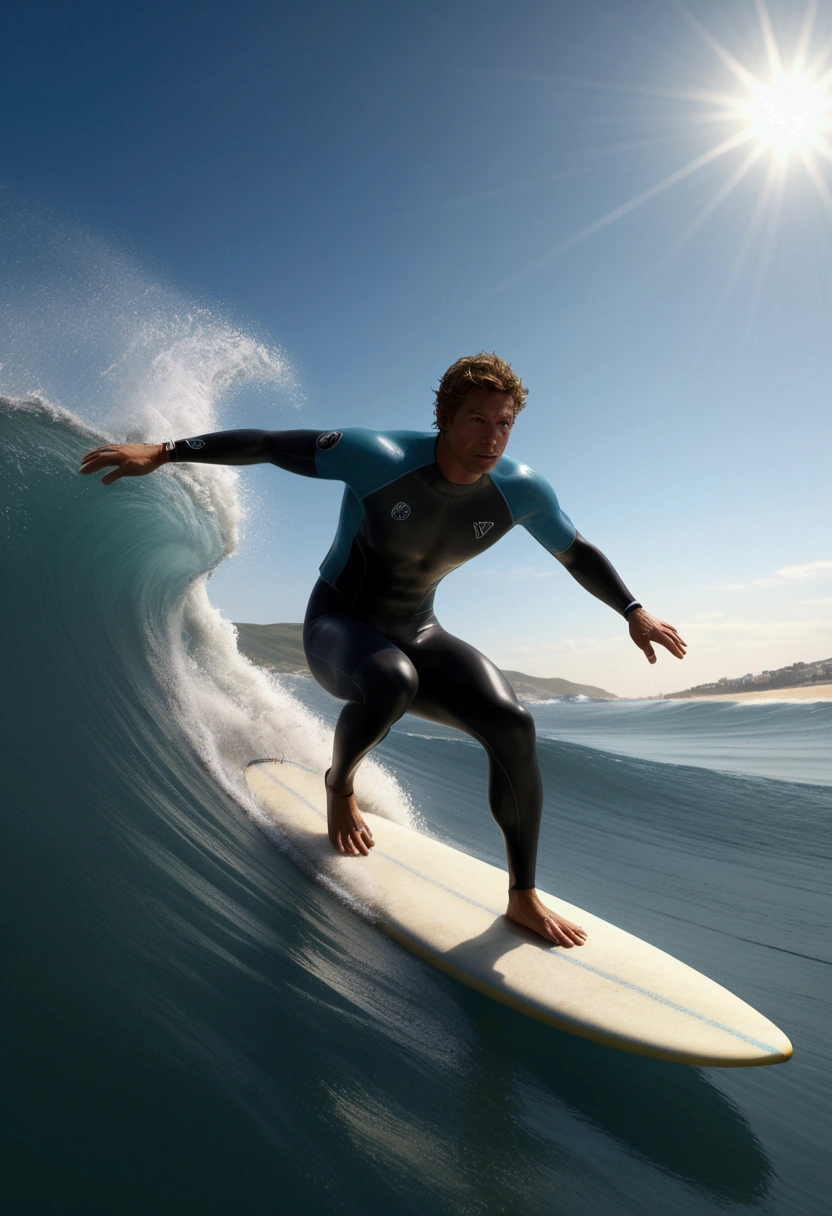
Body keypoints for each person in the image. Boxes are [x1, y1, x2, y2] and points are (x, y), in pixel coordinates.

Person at [80, 352, 686, 947]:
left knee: (513, 724)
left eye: (505, 423)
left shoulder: (520, 490)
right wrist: (163, 452)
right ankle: (339, 787)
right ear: (445, 416)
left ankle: (523, 896)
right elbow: (267, 443)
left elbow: (576, 551)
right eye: (478, 419)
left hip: (419, 628)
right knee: (392, 681)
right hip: (337, 627)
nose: (493, 436)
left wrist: (634, 612)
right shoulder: (377, 457)